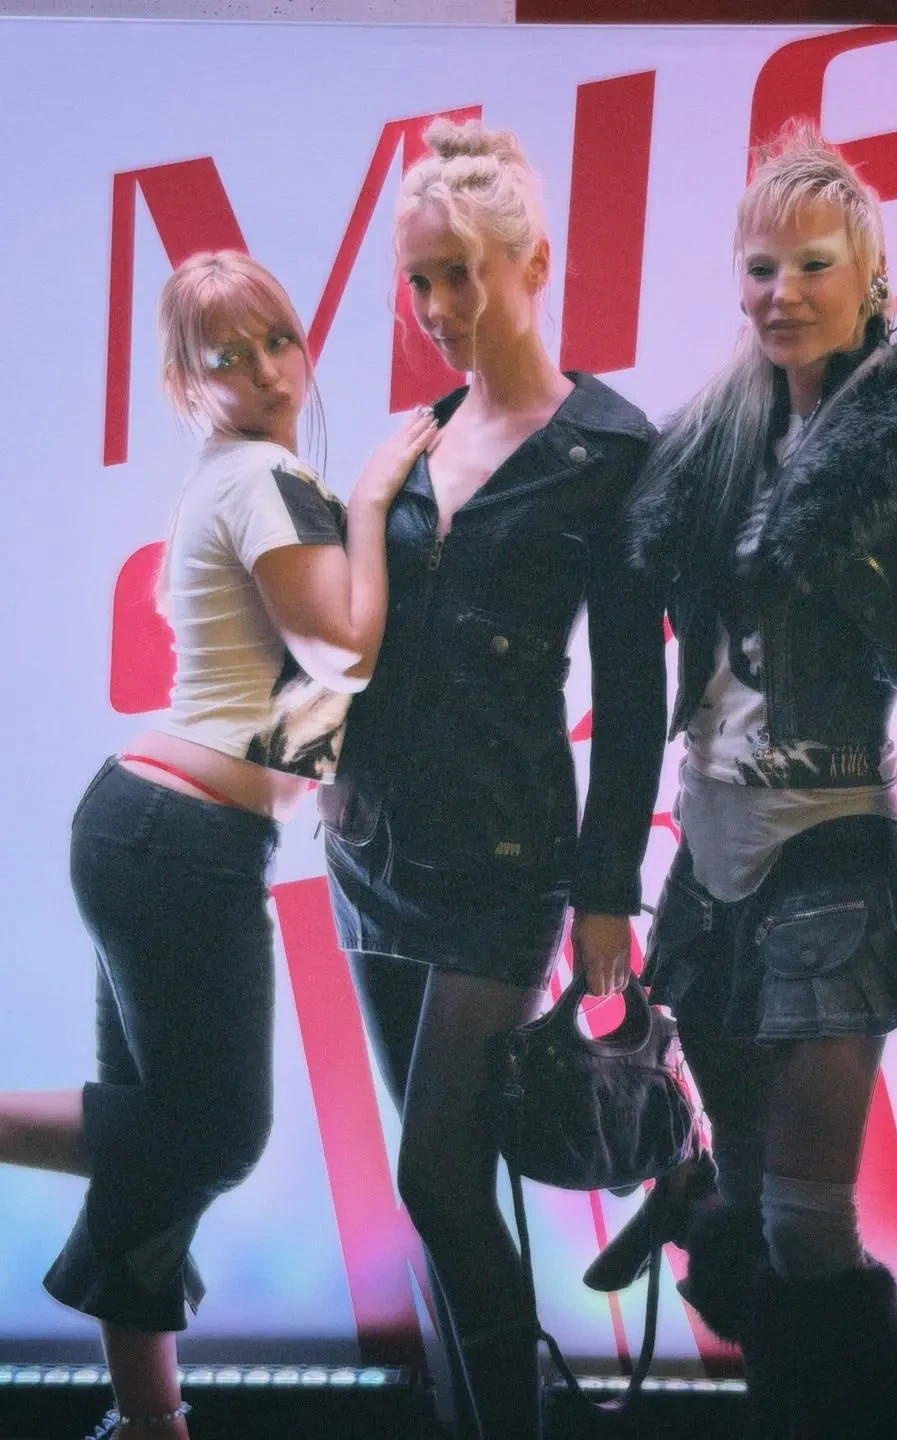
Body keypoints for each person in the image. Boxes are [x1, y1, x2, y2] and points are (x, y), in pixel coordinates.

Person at [582, 124, 897, 1437]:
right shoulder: (707, 449)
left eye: (814, 265)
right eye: (761, 267)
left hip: (834, 847)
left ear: (873, 276)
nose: (782, 292)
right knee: (753, 1204)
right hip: (707, 856)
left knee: (803, 1219)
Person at [0, 250, 436, 1440]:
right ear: (188, 384)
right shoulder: (266, 479)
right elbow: (341, 651)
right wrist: (371, 505)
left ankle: (152, 1424)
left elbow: (294, 707)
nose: (268, 371)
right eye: (228, 358)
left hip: (151, 832)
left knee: (151, 1153)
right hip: (179, 845)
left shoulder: (230, 478)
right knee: (217, 1135)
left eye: (279, 340)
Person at [318, 119, 666, 1439]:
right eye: (418, 281)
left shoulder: (611, 449)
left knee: (441, 1185)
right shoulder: (413, 442)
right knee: (440, 1191)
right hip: (372, 848)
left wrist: (607, 890)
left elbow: (634, 694)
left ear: (535, 262)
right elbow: (359, 643)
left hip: (508, 861)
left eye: (459, 273)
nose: (437, 308)